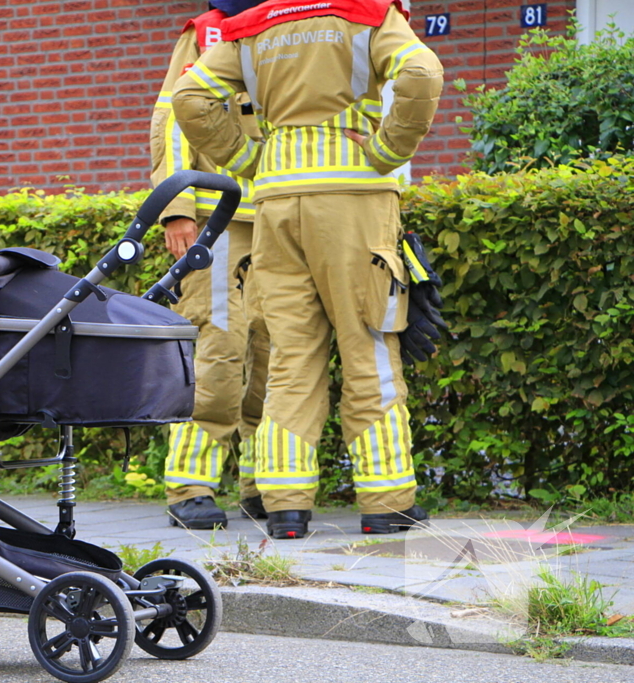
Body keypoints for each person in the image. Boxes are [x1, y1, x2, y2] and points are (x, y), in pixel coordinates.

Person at [172, 0, 444, 538]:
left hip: (275, 202)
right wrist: (388, 150)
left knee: (291, 357)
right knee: (368, 343)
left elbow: (189, 96)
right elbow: (421, 72)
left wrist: (250, 160)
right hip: (354, 198)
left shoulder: (255, 25)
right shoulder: (365, 14)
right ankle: (386, 502)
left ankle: (285, 507)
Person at [150, 3, 271, 529]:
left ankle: (263, 484)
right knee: (219, 351)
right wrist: (178, 209)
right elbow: (174, 117)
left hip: (283, 220)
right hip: (218, 223)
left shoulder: (296, 26)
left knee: (276, 357)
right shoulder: (208, 32)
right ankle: (190, 486)